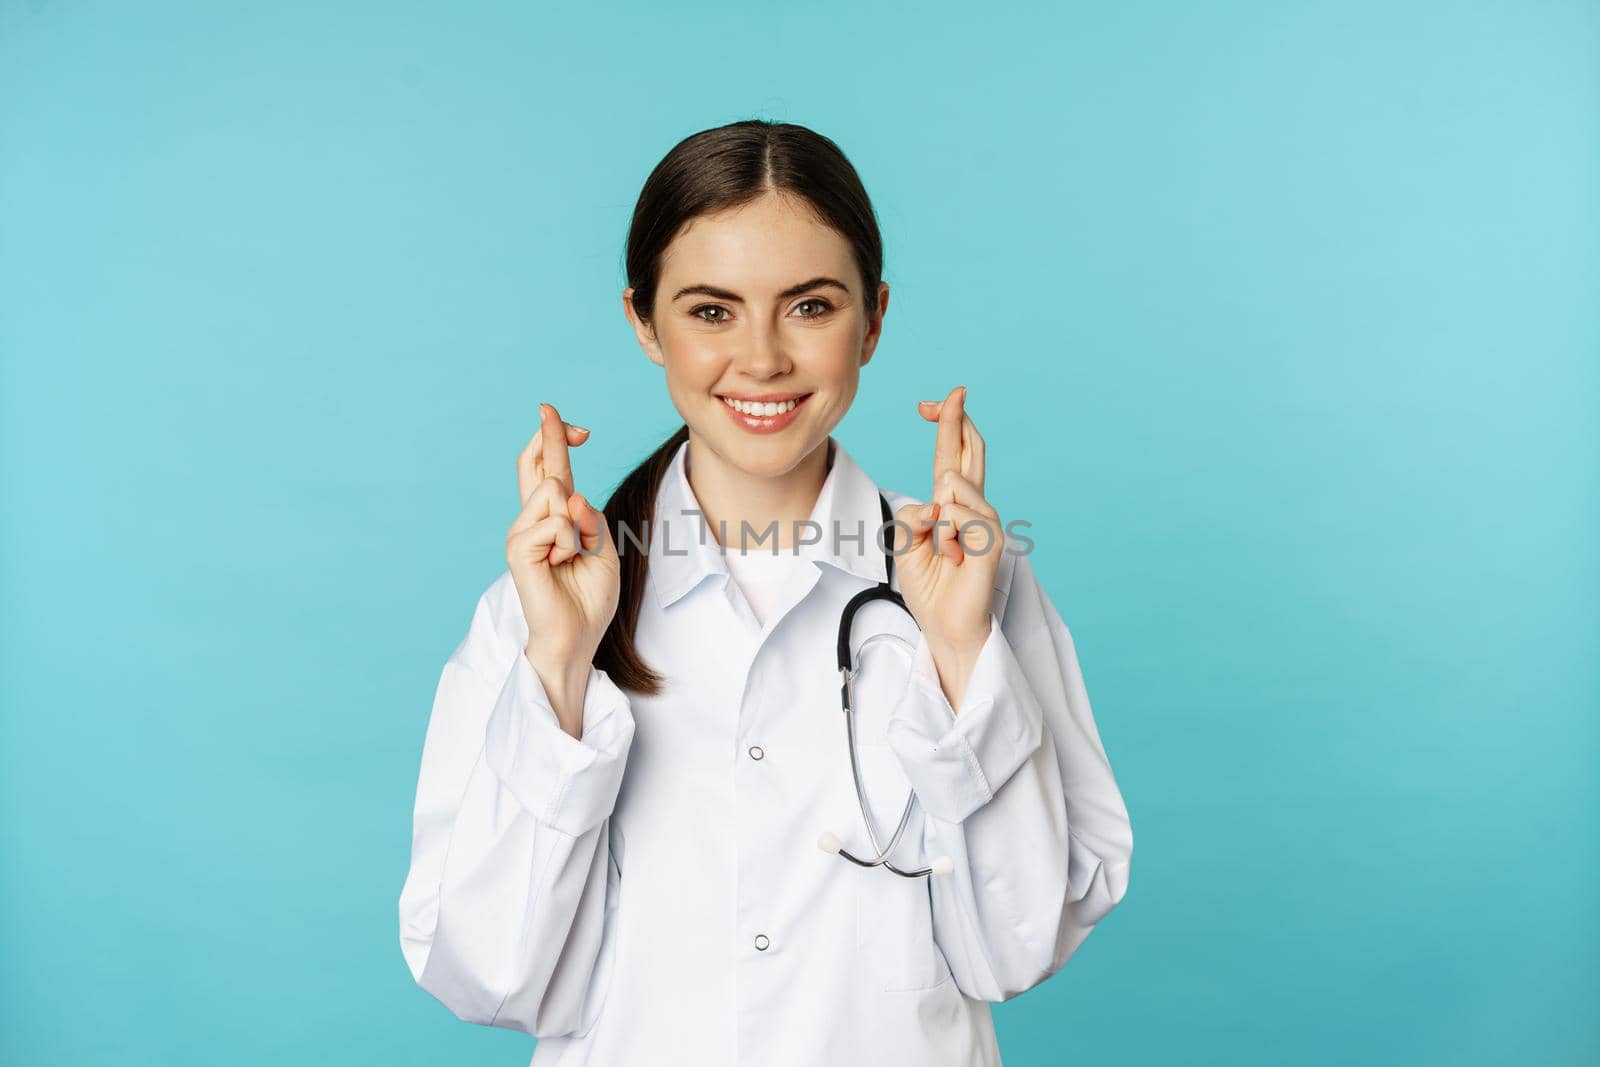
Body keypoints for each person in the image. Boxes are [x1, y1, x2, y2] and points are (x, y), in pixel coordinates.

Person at [397, 119, 1133, 1067]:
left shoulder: (970, 581)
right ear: (642, 321)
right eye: (711, 310)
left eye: (810, 307)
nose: (762, 359)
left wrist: (960, 659)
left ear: (872, 319)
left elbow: (1018, 948)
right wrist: (558, 673)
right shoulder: (544, 609)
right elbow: (490, 976)